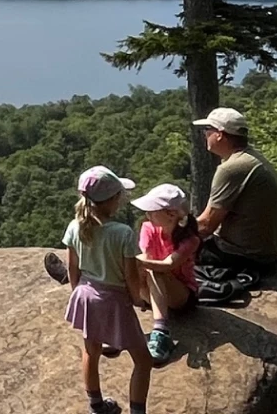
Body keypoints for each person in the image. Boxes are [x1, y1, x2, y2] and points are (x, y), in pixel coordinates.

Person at [61, 166, 152, 414]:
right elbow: (131, 277)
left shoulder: (74, 226)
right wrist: (138, 301)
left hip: (86, 295)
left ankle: (97, 406)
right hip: (114, 300)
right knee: (144, 361)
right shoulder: (123, 233)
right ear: (113, 200)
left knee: (91, 351)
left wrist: (77, 292)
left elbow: (72, 267)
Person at [192, 107, 277, 284]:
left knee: (174, 254)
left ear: (219, 134)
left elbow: (206, 226)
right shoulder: (251, 158)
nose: (205, 134)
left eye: (207, 130)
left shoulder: (232, 168)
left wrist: (173, 232)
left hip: (245, 256)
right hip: (263, 253)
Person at [130, 183, 200, 365]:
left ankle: (161, 331)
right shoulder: (148, 228)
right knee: (145, 267)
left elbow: (169, 264)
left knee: (156, 270)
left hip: (181, 297)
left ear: (171, 214)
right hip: (154, 292)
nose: (147, 215)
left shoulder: (190, 240)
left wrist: (129, 261)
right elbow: (146, 257)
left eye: (152, 211)